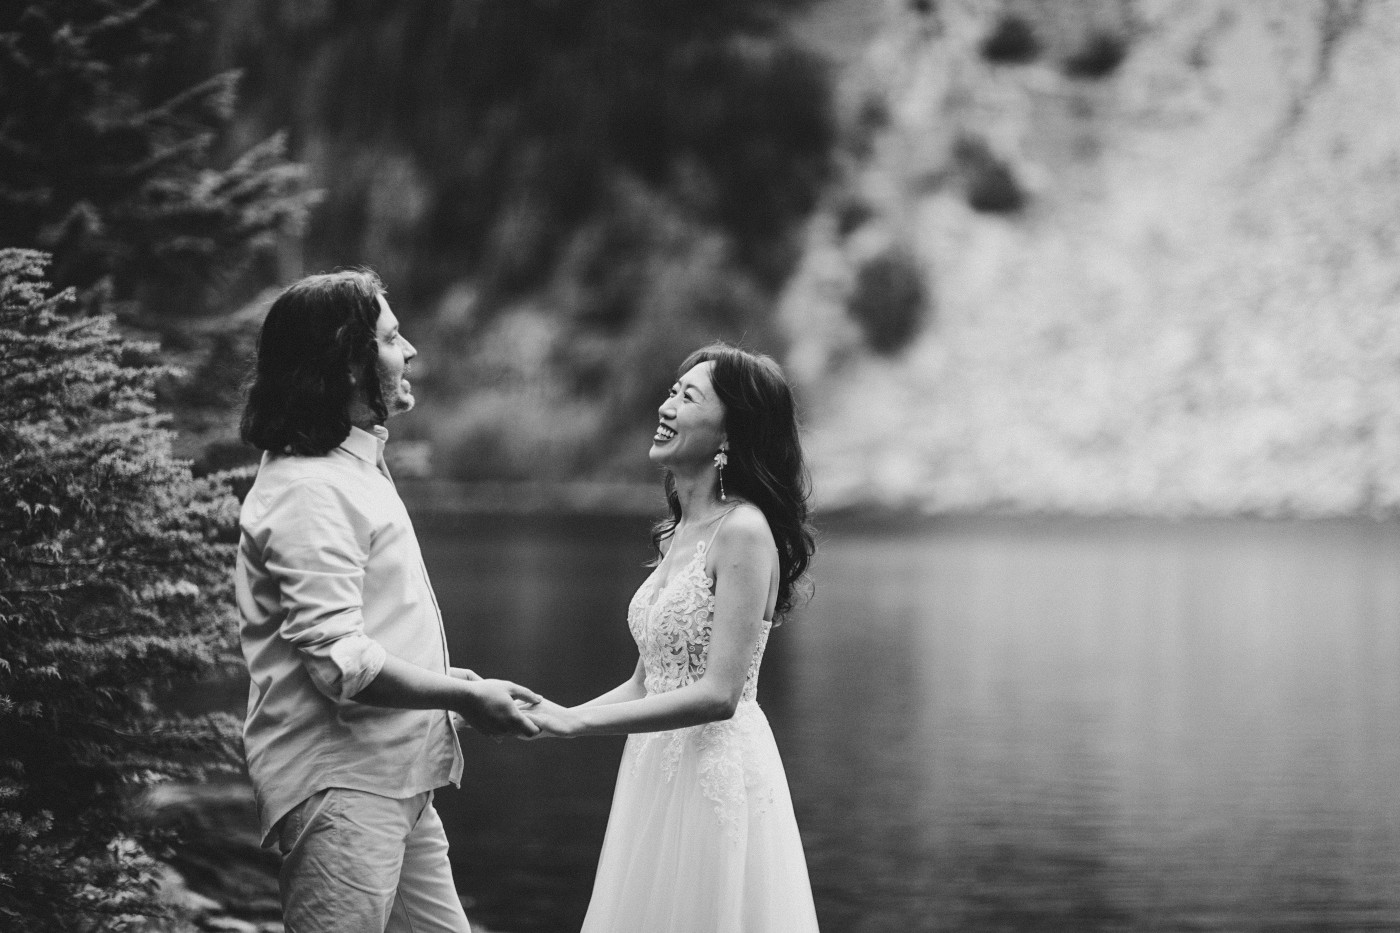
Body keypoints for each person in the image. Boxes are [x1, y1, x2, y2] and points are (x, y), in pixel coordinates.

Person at [235, 269, 541, 933]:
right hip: (344, 787)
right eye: (393, 337)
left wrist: (443, 682)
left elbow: (364, 627)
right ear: (349, 364)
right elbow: (338, 663)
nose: (412, 352)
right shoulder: (310, 490)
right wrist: (459, 698)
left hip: (392, 778)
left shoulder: (351, 465)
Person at [525, 343, 821, 931]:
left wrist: (579, 724)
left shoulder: (743, 531)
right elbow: (646, 682)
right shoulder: (677, 533)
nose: (666, 406)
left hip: (714, 771)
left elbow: (719, 694)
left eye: (687, 397)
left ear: (729, 435)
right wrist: (555, 716)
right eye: (671, 391)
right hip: (653, 766)